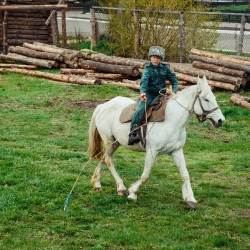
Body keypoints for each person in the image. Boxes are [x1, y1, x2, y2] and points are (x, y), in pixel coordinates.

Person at [128, 46, 179, 145]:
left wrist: (174, 91)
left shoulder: (165, 68)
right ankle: (132, 133)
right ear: (150, 57)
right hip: (149, 94)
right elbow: (144, 82)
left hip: (162, 95)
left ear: (161, 59)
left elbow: (174, 80)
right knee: (140, 110)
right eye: (154, 57)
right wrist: (142, 93)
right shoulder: (148, 69)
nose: (155, 60)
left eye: (158, 58)